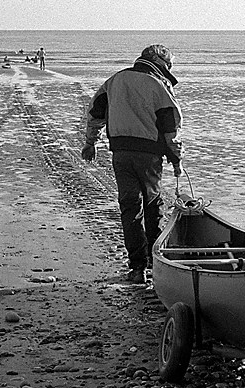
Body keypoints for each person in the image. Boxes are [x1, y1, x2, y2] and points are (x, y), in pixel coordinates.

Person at [81, 44, 183, 284]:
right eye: (168, 65)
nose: (169, 69)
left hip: (121, 153)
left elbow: (95, 113)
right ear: (161, 63)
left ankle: (137, 268)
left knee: (129, 207)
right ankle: (155, 263)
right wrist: (176, 157)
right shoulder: (159, 84)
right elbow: (171, 125)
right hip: (149, 155)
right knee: (153, 205)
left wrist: (90, 142)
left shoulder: (114, 81)